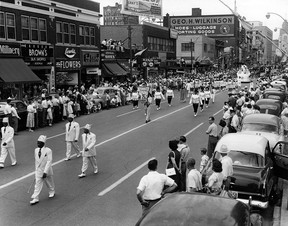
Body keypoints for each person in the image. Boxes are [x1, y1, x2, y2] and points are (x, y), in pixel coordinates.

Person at [30, 135, 55, 205]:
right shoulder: (36, 150)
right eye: (37, 142)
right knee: (37, 184)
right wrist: (36, 170)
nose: (38, 144)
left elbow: (49, 161)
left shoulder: (48, 150)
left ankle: (52, 191)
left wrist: (45, 172)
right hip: (39, 170)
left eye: (40, 142)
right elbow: (36, 161)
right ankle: (35, 198)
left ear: (43, 143)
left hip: (46, 170)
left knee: (49, 182)